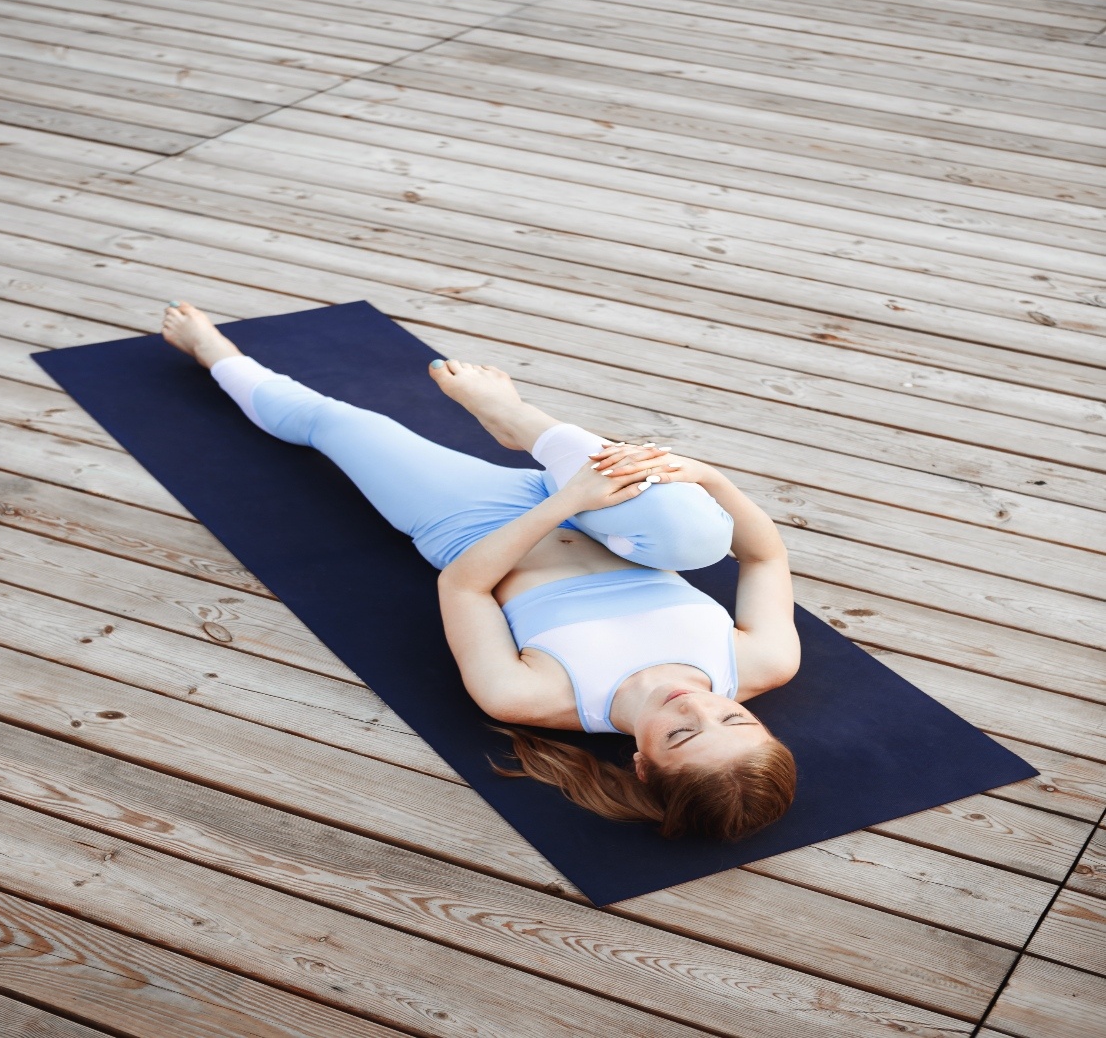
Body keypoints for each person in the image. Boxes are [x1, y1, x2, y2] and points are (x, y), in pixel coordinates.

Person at [162, 301, 800, 840]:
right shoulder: (763, 662)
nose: (698, 708)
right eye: (735, 719)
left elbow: (463, 585)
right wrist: (708, 476)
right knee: (695, 527)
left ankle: (215, 353)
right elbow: (763, 555)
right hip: (616, 519)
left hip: (480, 523)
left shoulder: (532, 697)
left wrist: (565, 503)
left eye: (682, 736)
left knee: (337, 423)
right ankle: (515, 419)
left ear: (641, 763)